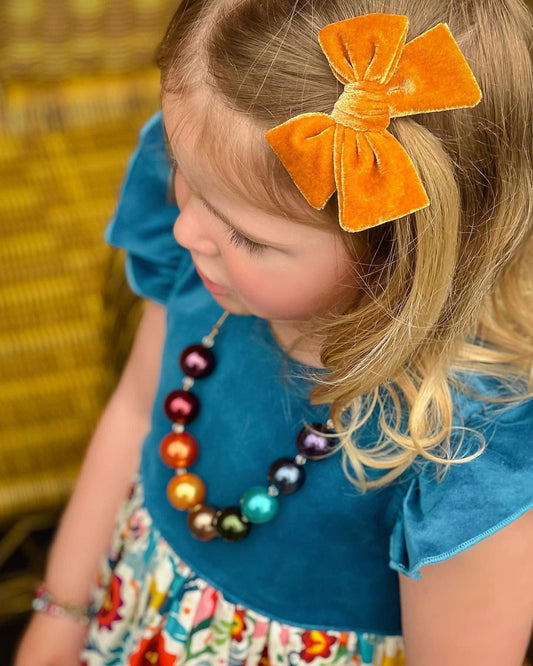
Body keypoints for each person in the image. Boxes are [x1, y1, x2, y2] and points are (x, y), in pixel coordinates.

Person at [14, 1, 533, 665]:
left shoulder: (466, 450)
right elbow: (134, 414)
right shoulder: (203, 276)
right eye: (182, 172)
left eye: (246, 236)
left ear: (401, 254)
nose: (185, 231)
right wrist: (61, 614)